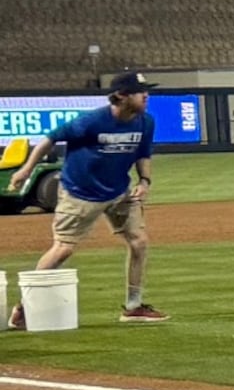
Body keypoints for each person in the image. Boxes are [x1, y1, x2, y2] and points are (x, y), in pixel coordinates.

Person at [8, 69, 162, 327]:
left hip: (119, 191)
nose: (146, 96)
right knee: (62, 249)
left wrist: (145, 181)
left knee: (139, 242)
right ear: (122, 96)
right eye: (140, 92)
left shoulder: (145, 122)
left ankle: (133, 306)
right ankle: (23, 309)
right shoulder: (91, 121)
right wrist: (26, 169)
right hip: (80, 193)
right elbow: (50, 139)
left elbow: (143, 154)